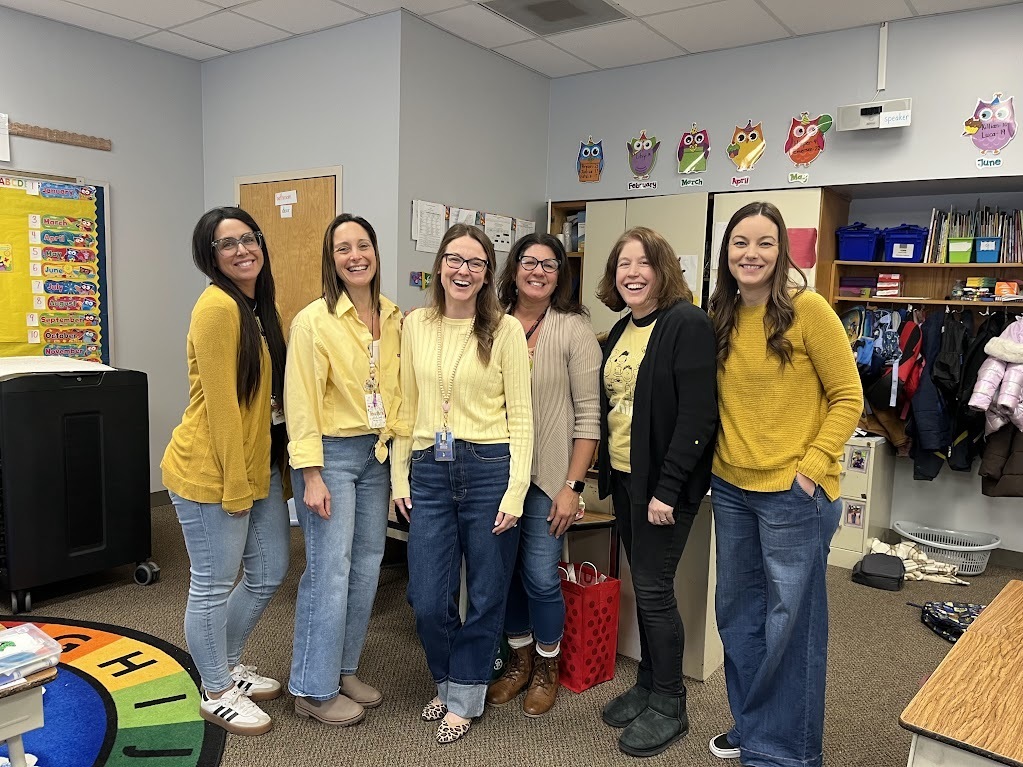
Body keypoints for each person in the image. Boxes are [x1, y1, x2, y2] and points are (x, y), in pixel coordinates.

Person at [706, 201, 861, 767]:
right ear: (726, 252)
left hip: (793, 494)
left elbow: (848, 396)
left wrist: (812, 467)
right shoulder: (719, 314)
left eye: (765, 243)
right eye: (740, 242)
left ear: (782, 252)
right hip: (731, 488)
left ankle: (786, 753)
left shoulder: (807, 309)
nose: (751, 254)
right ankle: (756, 726)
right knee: (739, 617)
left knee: (791, 627)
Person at [391, 223, 533, 744]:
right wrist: (399, 478)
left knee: (488, 592)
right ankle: (448, 679)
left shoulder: (505, 330)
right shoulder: (415, 324)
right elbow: (405, 406)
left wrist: (516, 490)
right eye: (454, 259)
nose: (463, 270)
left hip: (490, 467)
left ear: (487, 274)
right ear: (439, 266)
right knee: (427, 596)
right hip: (429, 468)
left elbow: (522, 416)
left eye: (475, 263)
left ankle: (464, 694)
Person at [161, 207, 290, 736]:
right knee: (212, 584)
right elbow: (221, 409)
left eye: (248, 238)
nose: (242, 250)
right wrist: (236, 486)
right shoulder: (216, 308)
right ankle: (215, 690)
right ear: (210, 256)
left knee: (269, 571)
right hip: (211, 471)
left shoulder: (256, 305)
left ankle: (228, 663)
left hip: (255, 464)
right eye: (227, 244)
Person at [595, 227, 718, 758]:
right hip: (627, 480)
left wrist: (666, 489)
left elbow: (698, 414)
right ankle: (648, 684)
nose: (633, 272)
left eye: (643, 262)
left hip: (664, 487)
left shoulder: (686, 323)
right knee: (644, 586)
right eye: (623, 264)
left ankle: (670, 703)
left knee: (653, 589)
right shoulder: (622, 328)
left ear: (662, 268)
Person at [284, 214, 404, 727]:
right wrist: (310, 475)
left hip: (377, 453)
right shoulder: (313, 321)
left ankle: (342, 668)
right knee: (328, 571)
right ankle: (313, 688)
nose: (355, 256)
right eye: (343, 249)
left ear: (375, 251)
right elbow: (301, 401)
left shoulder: (394, 317)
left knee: (367, 564)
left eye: (363, 245)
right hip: (330, 456)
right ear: (331, 261)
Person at [486, 233, 600, 717]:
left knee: (538, 575)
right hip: (494, 472)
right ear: (513, 269)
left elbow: (589, 416)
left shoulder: (574, 329)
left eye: (549, 264)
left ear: (560, 274)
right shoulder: (490, 322)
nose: (538, 271)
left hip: (548, 478)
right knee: (504, 575)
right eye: (529, 262)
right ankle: (519, 661)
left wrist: (572, 487)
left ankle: (547, 665)